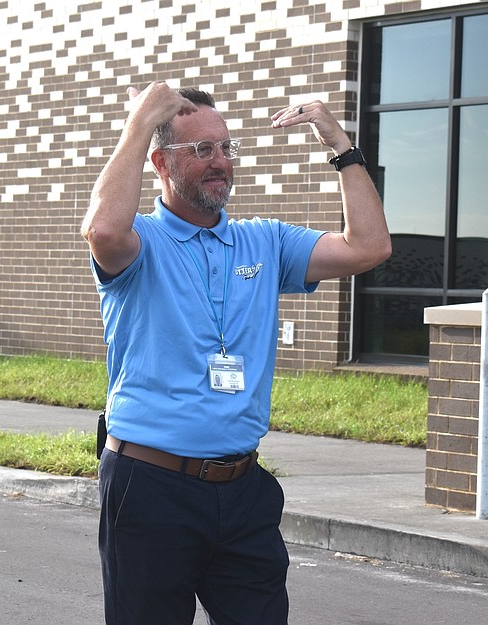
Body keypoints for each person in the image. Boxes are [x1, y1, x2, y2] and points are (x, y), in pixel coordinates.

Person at [81, 81, 391, 625]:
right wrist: (138, 123)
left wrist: (339, 143)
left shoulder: (264, 241)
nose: (221, 161)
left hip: (242, 490)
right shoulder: (142, 242)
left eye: (226, 147)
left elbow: (369, 247)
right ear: (160, 162)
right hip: (150, 488)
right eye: (202, 150)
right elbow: (103, 230)